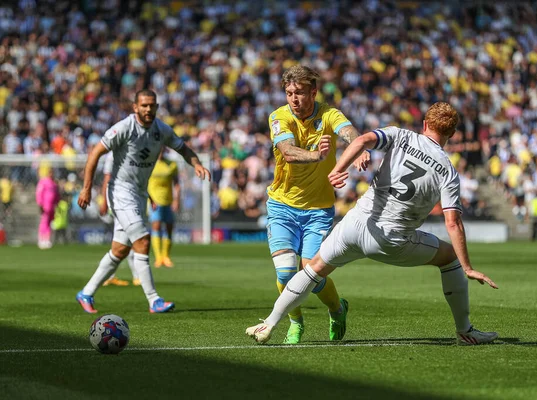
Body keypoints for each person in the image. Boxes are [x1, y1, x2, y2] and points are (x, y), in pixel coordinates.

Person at [247, 102, 499, 346]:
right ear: (452, 134)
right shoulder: (447, 170)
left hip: (356, 225)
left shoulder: (400, 135)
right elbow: (453, 222)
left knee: (312, 271)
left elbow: (362, 140)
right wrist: (467, 267)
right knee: (449, 258)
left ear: (424, 124)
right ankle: (465, 331)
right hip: (391, 240)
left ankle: (269, 323)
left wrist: (338, 168)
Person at [76, 89, 211, 314]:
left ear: (156, 107)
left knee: (119, 250)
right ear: (135, 107)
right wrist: (87, 189)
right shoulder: (123, 128)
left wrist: (195, 164)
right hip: (119, 193)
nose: (148, 109)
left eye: (152, 105)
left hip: (138, 195)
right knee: (143, 242)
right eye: (144, 105)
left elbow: (183, 148)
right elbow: (95, 154)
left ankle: (86, 293)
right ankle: (154, 300)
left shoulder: (161, 130)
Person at [264, 65, 370, 344]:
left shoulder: (329, 114)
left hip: (318, 210)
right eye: (289, 93)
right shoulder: (278, 116)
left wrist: (358, 148)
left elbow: (348, 132)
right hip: (281, 205)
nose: (293, 99)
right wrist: (317, 157)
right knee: (286, 272)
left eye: (299, 93)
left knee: (311, 273)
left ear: (313, 92)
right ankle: (295, 322)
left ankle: (337, 309)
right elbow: (287, 152)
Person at [99, 151, 138, 287]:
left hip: (130, 200)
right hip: (120, 201)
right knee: (134, 237)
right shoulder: (113, 154)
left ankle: (108, 277)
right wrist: (104, 201)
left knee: (123, 242)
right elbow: (107, 178)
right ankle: (137, 276)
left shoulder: (133, 149)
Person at [148, 148, 180, 268]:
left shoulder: (172, 165)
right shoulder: (149, 164)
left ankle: (166, 256)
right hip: (154, 201)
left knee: (169, 227)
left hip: (168, 201)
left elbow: (177, 184)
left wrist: (177, 200)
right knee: (156, 225)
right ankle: (158, 257)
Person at [35, 167, 60, 249]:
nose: (51, 174)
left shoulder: (54, 183)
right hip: (45, 205)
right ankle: (42, 239)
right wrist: (40, 204)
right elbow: (39, 193)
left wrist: (57, 203)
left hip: (52, 206)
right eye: (50, 172)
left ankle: (47, 239)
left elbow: (56, 195)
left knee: (49, 223)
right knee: (44, 222)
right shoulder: (44, 182)